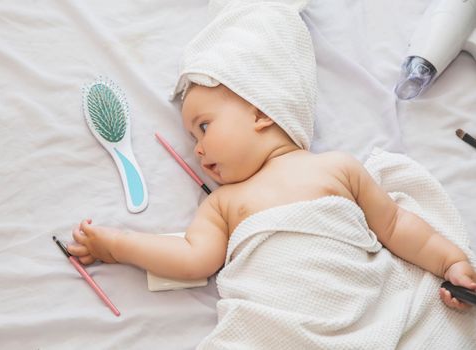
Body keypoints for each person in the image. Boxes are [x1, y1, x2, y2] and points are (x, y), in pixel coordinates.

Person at [68, 0, 476, 313]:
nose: (197, 149)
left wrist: (450, 262)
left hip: (359, 306)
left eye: (204, 127)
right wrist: (119, 246)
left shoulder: (337, 167)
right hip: (276, 320)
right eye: (193, 137)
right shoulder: (222, 204)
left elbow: (396, 225)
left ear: (262, 111)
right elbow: (192, 260)